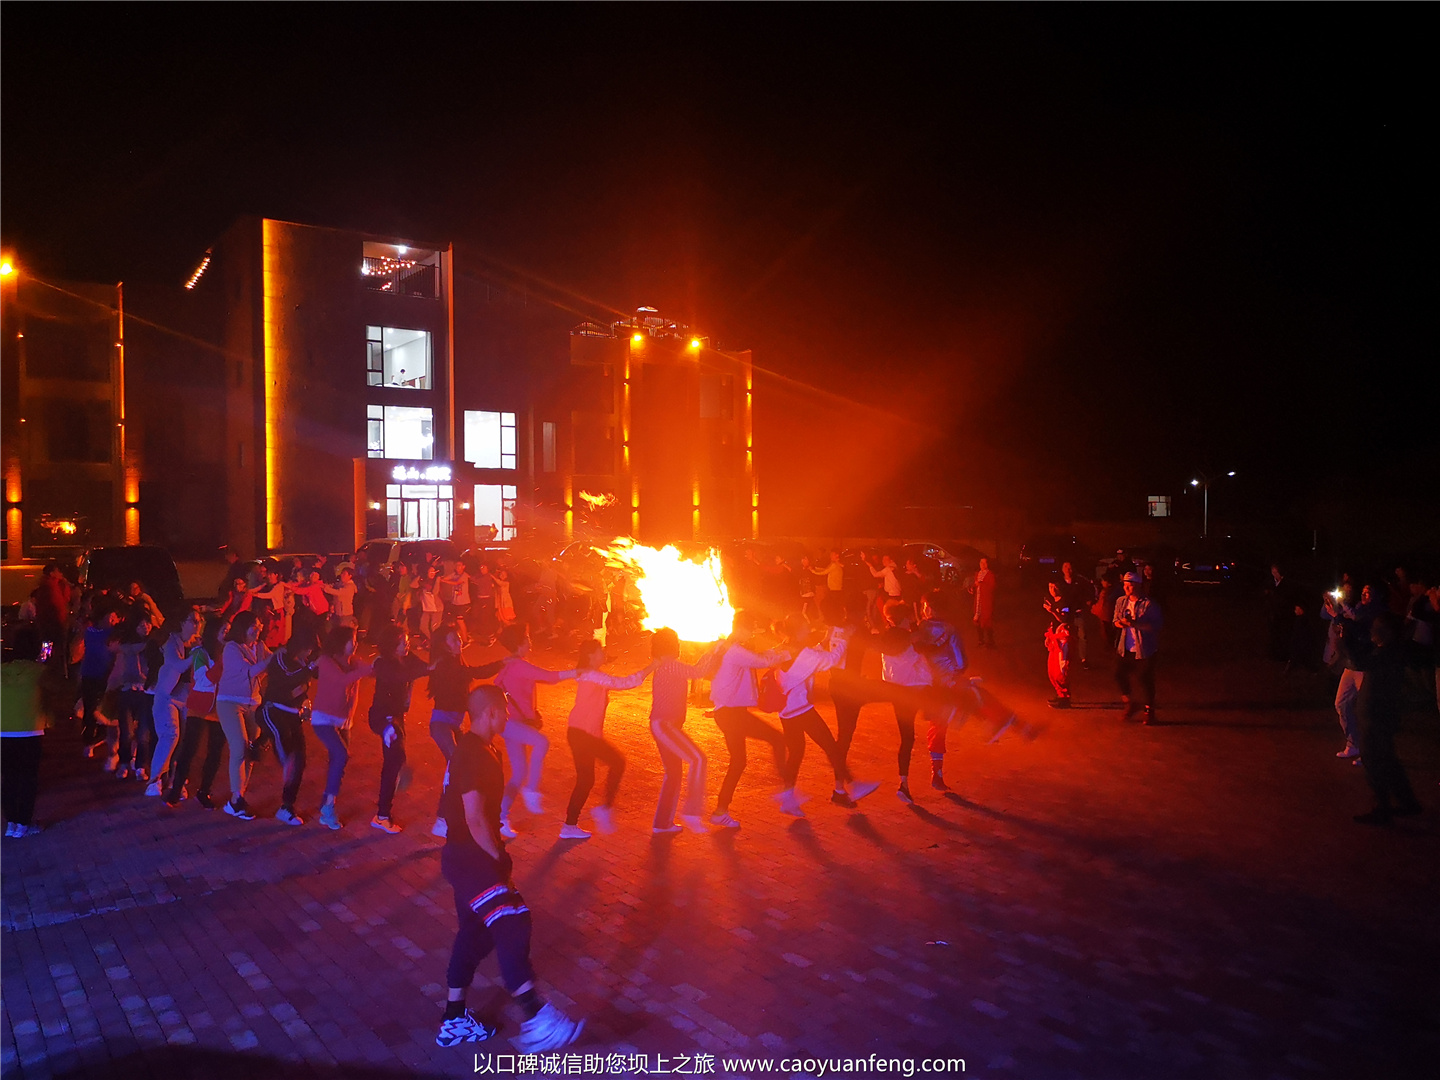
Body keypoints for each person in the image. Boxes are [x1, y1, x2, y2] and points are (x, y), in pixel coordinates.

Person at [434, 685, 584, 1051]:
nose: (507, 717)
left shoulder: (484, 750)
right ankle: (536, 1018)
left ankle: (453, 1019)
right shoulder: (472, 753)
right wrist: (497, 858)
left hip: (463, 856)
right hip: (471, 859)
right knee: (513, 922)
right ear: (489, 713)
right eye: (504, 712)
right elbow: (473, 817)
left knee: (475, 932)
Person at [775, 614, 878, 812]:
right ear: (798, 631)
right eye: (806, 626)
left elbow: (814, 654)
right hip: (801, 710)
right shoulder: (805, 653)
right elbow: (831, 659)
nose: (809, 628)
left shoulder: (786, 646)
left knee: (796, 752)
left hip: (786, 711)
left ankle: (787, 796)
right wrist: (844, 638)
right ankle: (854, 786)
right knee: (831, 747)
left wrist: (826, 638)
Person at [560, 639, 653, 839]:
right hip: (583, 735)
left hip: (580, 733)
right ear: (591, 655)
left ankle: (570, 825)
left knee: (586, 780)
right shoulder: (592, 675)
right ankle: (602, 810)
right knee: (616, 764)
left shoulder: (590, 674)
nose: (604, 653)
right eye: (600, 651)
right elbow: (625, 682)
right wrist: (652, 666)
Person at [708, 612, 790, 828]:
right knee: (776, 739)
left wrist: (780, 648)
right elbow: (762, 660)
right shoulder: (735, 650)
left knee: (738, 762)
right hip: (732, 714)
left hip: (728, 712)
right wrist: (788, 651)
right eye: (751, 628)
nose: (753, 633)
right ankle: (787, 791)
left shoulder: (725, 645)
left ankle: (720, 810)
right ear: (743, 628)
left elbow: (758, 656)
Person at [493, 625, 576, 834]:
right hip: (512, 723)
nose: (530, 642)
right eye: (527, 638)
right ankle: (531, 789)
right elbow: (550, 677)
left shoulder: (510, 664)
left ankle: (501, 818)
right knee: (541, 742)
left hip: (511, 723)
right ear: (521, 644)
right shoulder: (519, 665)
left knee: (518, 772)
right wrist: (577, 671)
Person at [427, 629, 504, 837]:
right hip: (441, 724)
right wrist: (502, 663)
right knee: (455, 766)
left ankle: (462, 811)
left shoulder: (459, 662)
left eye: (459, 638)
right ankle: (442, 819)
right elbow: (476, 673)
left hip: (456, 725)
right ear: (445, 645)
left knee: (464, 767)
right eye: (453, 639)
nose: (459, 641)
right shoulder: (446, 664)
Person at [1352, 613, 1423, 824]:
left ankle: (1382, 809)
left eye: (1377, 626)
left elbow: (1359, 661)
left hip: (1376, 717)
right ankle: (1408, 803)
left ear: (1388, 632)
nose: (1372, 630)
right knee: (1388, 761)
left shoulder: (1388, 654)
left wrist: (1345, 638)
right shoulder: (1389, 651)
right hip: (1379, 715)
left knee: (1374, 762)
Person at [647, 628, 713, 834]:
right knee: (698, 759)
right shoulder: (671, 666)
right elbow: (698, 672)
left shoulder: (666, 666)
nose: (679, 645)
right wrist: (715, 649)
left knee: (674, 773)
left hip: (664, 725)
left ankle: (662, 823)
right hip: (666, 725)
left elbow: (696, 670)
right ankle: (692, 813)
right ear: (672, 645)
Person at [311, 625, 375, 830]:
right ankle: (329, 807)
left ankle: (325, 803)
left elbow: (371, 670)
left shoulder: (354, 661)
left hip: (344, 721)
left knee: (337, 762)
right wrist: (366, 670)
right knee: (341, 755)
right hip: (323, 719)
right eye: (351, 640)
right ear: (340, 642)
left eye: (356, 640)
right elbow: (341, 681)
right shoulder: (326, 661)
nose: (355, 644)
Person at [367, 627, 431, 834]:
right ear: (392, 646)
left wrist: (433, 666)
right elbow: (400, 675)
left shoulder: (407, 659)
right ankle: (382, 815)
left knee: (394, 761)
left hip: (396, 717)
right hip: (382, 716)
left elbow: (425, 667)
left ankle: (382, 813)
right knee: (396, 758)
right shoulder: (384, 664)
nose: (407, 645)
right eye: (403, 642)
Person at [214, 611, 273, 820]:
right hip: (230, 701)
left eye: (259, 627)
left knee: (250, 750)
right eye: (253, 627)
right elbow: (249, 671)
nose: (258, 631)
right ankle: (236, 797)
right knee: (239, 746)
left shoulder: (258, 646)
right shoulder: (231, 648)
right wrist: (271, 660)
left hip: (253, 703)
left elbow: (271, 660)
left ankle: (238, 798)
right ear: (242, 628)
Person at [162, 621, 228, 809]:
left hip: (220, 708)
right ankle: (176, 789)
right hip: (198, 707)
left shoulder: (229, 654)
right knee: (189, 749)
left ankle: (204, 791)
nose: (227, 634)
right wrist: (223, 663)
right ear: (214, 633)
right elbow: (203, 680)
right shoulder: (199, 653)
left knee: (215, 752)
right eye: (224, 630)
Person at [255, 634, 319, 825]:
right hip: (273, 711)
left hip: (292, 716)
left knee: (299, 759)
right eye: (308, 649)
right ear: (300, 646)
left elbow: (301, 688)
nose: (309, 654)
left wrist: (305, 704)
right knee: (288, 756)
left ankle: (286, 807)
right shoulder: (282, 658)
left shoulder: (302, 664)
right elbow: (289, 679)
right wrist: (310, 666)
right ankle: (263, 745)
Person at [3, 625, 58, 837]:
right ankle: (24, 824)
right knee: (27, 778)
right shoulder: (40, 672)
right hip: (30, 730)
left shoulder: (2, 671)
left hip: (3, 731)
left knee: (8, 778)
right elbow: (55, 691)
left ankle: (11, 824)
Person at [146, 611, 203, 797]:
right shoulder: (172, 641)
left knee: (183, 741)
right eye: (193, 621)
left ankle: (175, 782)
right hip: (167, 696)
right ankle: (155, 780)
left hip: (187, 696)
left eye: (200, 621)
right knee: (171, 734)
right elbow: (178, 665)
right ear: (181, 623)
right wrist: (195, 654)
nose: (197, 624)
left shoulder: (198, 643)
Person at [1324, 583, 1385, 759]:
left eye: (1369, 592)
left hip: (1364, 666)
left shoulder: (1376, 613)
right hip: (1351, 664)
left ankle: (1370, 753)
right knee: (1341, 703)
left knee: (1367, 710)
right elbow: (1348, 623)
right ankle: (1353, 744)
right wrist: (1336, 612)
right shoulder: (1358, 608)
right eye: (1363, 591)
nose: (1365, 594)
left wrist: (1339, 613)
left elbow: (1358, 626)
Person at [878, 625, 932, 803]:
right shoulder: (912, 654)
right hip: (913, 695)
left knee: (907, 739)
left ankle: (904, 782)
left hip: (897, 697)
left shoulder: (886, 653)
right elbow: (926, 670)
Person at [108, 615, 155, 780]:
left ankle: (140, 766)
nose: (146, 627)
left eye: (148, 623)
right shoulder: (127, 646)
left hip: (145, 693)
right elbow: (124, 667)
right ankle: (124, 764)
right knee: (126, 732)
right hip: (127, 691)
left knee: (143, 734)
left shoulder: (153, 647)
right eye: (141, 624)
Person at [1113, 572, 1163, 724]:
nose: (1126, 587)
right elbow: (1115, 621)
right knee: (1118, 674)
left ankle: (1149, 711)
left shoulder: (1148, 604)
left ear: (1137, 585)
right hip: (1126, 647)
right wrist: (1122, 623)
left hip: (1144, 648)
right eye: (1124, 584)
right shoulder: (1121, 601)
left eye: (1129, 585)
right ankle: (1130, 703)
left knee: (1144, 679)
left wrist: (1136, 625)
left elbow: (1156, 625)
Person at [78, 603, 121, 757]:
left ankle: (99, 738)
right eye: (112, 616)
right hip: (91, 675)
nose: (114, 619)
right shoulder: (94, 632)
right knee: (91, 709)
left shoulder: (96, 631)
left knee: (103, 710)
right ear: (103, 616)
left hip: (106, 676)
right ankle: (89, 741)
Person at [1042, 582, 1074, 709]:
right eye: (1050, 587)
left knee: (1062, 670)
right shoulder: (1053, 602)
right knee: (1052, 670)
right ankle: (1059, 693)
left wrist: (1052, 611)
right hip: (1055, 641)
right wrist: (1048, 636)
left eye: (1055, 586)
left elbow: (1064, 620)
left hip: (1063, 642)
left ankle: (1065, 698)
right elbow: (1053, 623)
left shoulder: (1065, 603)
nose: (1052, 589)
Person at [1057, 562, 1094, 669]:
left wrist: (1089, 600)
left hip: (1078, 612)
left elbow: (1090, 589)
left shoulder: (1079, 581)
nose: (1068, 570)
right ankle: (1064, 658)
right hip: (1066, 613)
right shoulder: (1059, 583)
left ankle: (1083, 659)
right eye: (1065, 567)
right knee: (1065, 636)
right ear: (1062, 569)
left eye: (1070, 567)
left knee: (1082, 635)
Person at [969, 557, 997, 648]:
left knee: (987, 621)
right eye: (981, 562)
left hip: (986, 601)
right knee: (977, 619)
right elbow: (976, 585)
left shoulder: (990, 575)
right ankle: (981, 640)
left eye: (985, 563)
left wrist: (981, 584)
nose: (983, 565)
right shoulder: (978, 574)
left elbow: (991, 587)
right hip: (978, 601)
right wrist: (973, 588)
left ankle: (990, 641)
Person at [323, 565, 359, 629]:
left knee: (343, 632)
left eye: (344, 574)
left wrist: (326, 589)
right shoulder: (340, 584)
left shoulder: (350, 587)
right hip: (337, 613)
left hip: (345, 614)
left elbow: (338, 592)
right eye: (342, 573)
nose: (341, 575)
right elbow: (333, 586)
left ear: (350, 576)